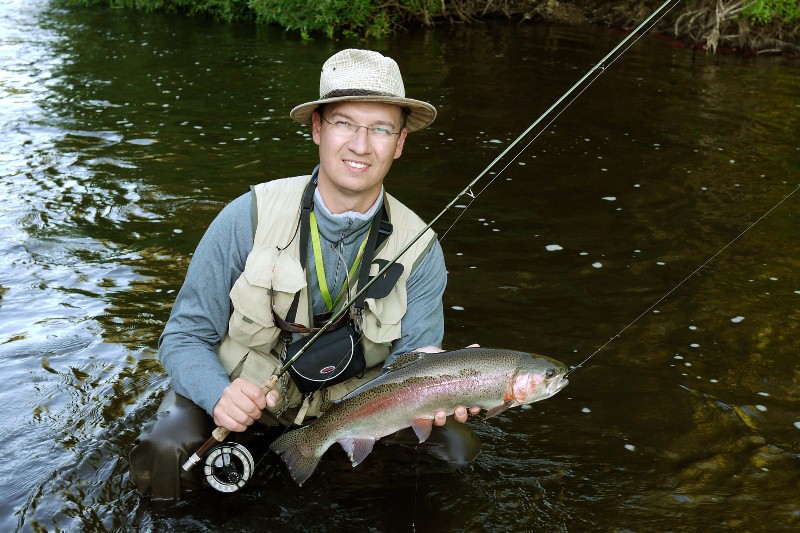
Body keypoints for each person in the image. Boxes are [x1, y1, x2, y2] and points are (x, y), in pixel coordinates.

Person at [129, 49, 479, 500]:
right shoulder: (247, 216)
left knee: (454, 449)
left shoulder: (423, 250)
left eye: (380, 128)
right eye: (344, 123)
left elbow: (412, 364)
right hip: (240, 401)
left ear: (400, 142)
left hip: (352, 410)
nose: (360, 144)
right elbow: (183, 337)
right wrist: (218, 395)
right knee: (164, 453)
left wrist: (455, 379)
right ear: (317, 129)